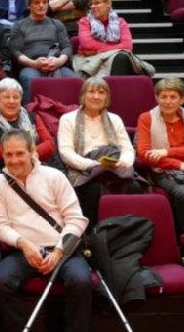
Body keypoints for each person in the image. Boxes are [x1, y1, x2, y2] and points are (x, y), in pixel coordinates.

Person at [0, 129, 95, 332]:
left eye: (20, 154)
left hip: (62, 249)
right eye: (8, 155)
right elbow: (0, 225)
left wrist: (58, 251)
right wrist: (24, 244)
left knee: (81, 281)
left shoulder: (54, 176)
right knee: (0, 281)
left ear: (32, 152)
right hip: (25, 250)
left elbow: (76, 219)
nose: (14, 160)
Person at [57, 77, 143, 224]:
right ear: (83, 95)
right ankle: (92, 232)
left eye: (101, 92)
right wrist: (92, 165)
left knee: (134, 187)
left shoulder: (115, 119)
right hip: (83, 170)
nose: (96, 96)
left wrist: (124, 162)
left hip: (114, 168)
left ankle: (126, 229)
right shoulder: (68, 119)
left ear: (107, 97)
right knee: (94, 189)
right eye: (91, 92)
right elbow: (66, 152)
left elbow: (127, 148)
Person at [136, 76, 184, 235]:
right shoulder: (146, 118)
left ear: (182, 99)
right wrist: (181, 164)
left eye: (173, 97)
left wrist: (167, 152)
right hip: (162, 171)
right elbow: (144, 154)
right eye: (163, 96)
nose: (168, 101)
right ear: (156, 98)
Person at [8, 0, 77, 102]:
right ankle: (30, 111)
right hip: (31, 65)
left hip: (57, 64)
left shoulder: (57, 24)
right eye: (37, 2)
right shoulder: (19, 25)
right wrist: (34, 63)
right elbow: (15, 51)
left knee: (75, 80)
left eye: (45, 2)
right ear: (29, 5)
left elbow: (66, 47)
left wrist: (59, 61)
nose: (41, 5)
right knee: (29, 79)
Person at [0, 77, 56, 173]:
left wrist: (30, 153)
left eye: (16, 97)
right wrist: (17, 152)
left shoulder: (33, 117)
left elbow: (50, 144)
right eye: (6, 97)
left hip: (32, 166)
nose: (11, 101)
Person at [74, 0, 153, 78]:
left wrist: (100, 50)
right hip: (89, 59)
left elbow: (127, 46)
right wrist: (115, 48)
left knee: (121, 57)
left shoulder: (120, 22)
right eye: (91, 4)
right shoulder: (85, 21)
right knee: (120, 56)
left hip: (113, 57)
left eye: (97, 3)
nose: (93, 6)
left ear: (108, 3)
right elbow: (87, 44)